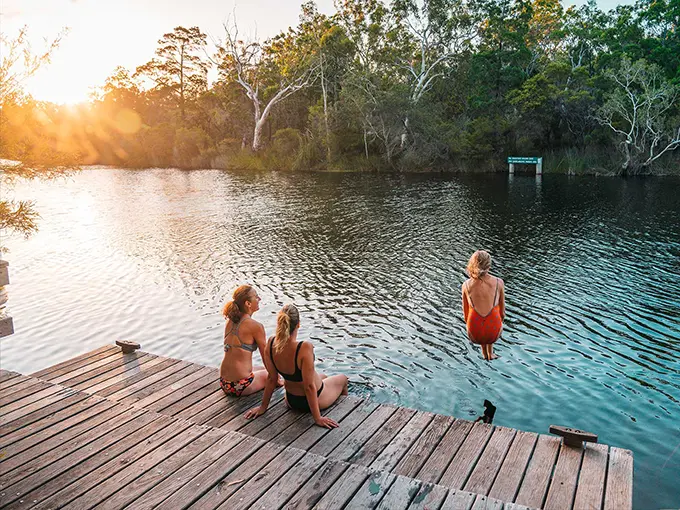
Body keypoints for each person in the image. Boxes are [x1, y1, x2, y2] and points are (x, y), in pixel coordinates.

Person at [245, 304, 348, 428]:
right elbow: (309, 387)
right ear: (298, 324)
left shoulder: (272, 343)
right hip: (314, 400)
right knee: (343, 379)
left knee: (323, 376)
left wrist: (263, 407)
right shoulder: (304, 347)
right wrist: (318, 418)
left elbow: (272, 379)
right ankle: (346, 411)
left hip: (291, 401)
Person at [219, 285, 270, 397]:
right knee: (271, 374)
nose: (259, 299)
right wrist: (275, 379)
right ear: (248, 303)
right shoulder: (256, 326)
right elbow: (266, 357)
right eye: (256, 297)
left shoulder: (230, 321)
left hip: (224, 383)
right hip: (240, 386)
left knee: (260, 368)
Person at [462, 250, 505, 360]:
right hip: (493, 333)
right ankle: (490, 354)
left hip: (474, 333)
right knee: (493, 314)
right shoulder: (499, 282)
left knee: (477, 316)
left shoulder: (466, 285)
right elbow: (502, 314)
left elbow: (466, 315)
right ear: (489, 265)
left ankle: (485, 354)